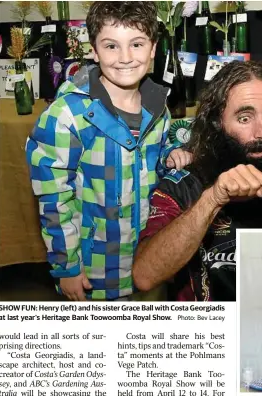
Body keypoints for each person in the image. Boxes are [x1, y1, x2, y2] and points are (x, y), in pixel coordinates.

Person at [25, 2, 191, 301]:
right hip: (96, 271)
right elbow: (53, 198)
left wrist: (170, 156)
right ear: (94, 51)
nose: (125, 58)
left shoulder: (157, 106)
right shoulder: (67, 115)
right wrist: (67, 268)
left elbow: (151, 166)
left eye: (137, 44)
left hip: (147, 261)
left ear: (152, 48)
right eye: (111, 46)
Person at [132, 61, 262, 301]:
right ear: (217, 121)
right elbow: (144, 275)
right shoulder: (183, 184)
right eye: (245, 118)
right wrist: (213, 198)